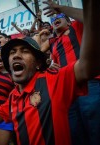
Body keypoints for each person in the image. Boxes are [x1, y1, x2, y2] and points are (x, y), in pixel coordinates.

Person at [0, 1, 100, 144]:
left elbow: (88, 65)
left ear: (38, 63)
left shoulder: (54, 79)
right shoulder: (13, 96)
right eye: (12, 52)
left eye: (24, 51)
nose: (16, 55)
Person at [42, 1, 100, 145]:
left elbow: (90, 17)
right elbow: (44, 59)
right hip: (68, 89)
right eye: (52, 19)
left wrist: (61, 8)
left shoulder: (77, 27)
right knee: (74, 132)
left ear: (68, 21)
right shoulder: (54, 44)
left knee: (94, 127)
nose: (55, 19)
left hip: (88, 82)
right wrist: (50, 64)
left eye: (59, 16)